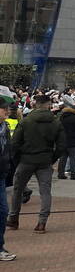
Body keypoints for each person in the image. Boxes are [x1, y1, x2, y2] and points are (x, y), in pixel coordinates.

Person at [7, 93, 64, 233]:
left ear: (34, 105)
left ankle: (13, 219)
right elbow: (62, 146)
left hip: (26, 159)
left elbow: (15, 143)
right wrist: (52, 158)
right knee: (45, 191)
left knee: (18, 190)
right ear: (49, 105)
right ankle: (41, 222)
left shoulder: (26, 121)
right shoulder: (56, 122)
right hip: (45, 160)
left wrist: (17, 158)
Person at [0, 88, 17, 260]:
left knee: (3, 211)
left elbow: (8, 149)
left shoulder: (5, 126)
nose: (7, 111)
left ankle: (0, 247)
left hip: (1, 174)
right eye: (3, 108)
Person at [57, 102, 75, 180]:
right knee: (74, 158)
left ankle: (60, 173)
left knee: (63, 158)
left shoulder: (62, 117)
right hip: (74, 140)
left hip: (63, 140)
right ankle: (74, 174)